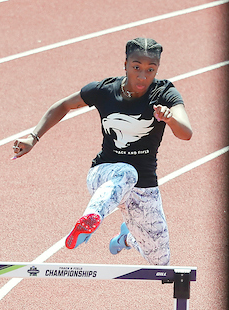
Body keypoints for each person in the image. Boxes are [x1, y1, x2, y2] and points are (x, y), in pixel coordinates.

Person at [11, 37, 192, 266]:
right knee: (127, 172)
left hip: (143, 186)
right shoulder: (105, 90)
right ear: (125, 64)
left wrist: (170, 118)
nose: (143, 76)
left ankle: (126, 238)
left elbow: (186, 132)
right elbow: (64, 105)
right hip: (104, 175)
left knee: (160, 261)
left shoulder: (164, 93)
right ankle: (92, 217)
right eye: (136, 67)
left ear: (157, 69)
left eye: (150, 69)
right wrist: (33, 137)